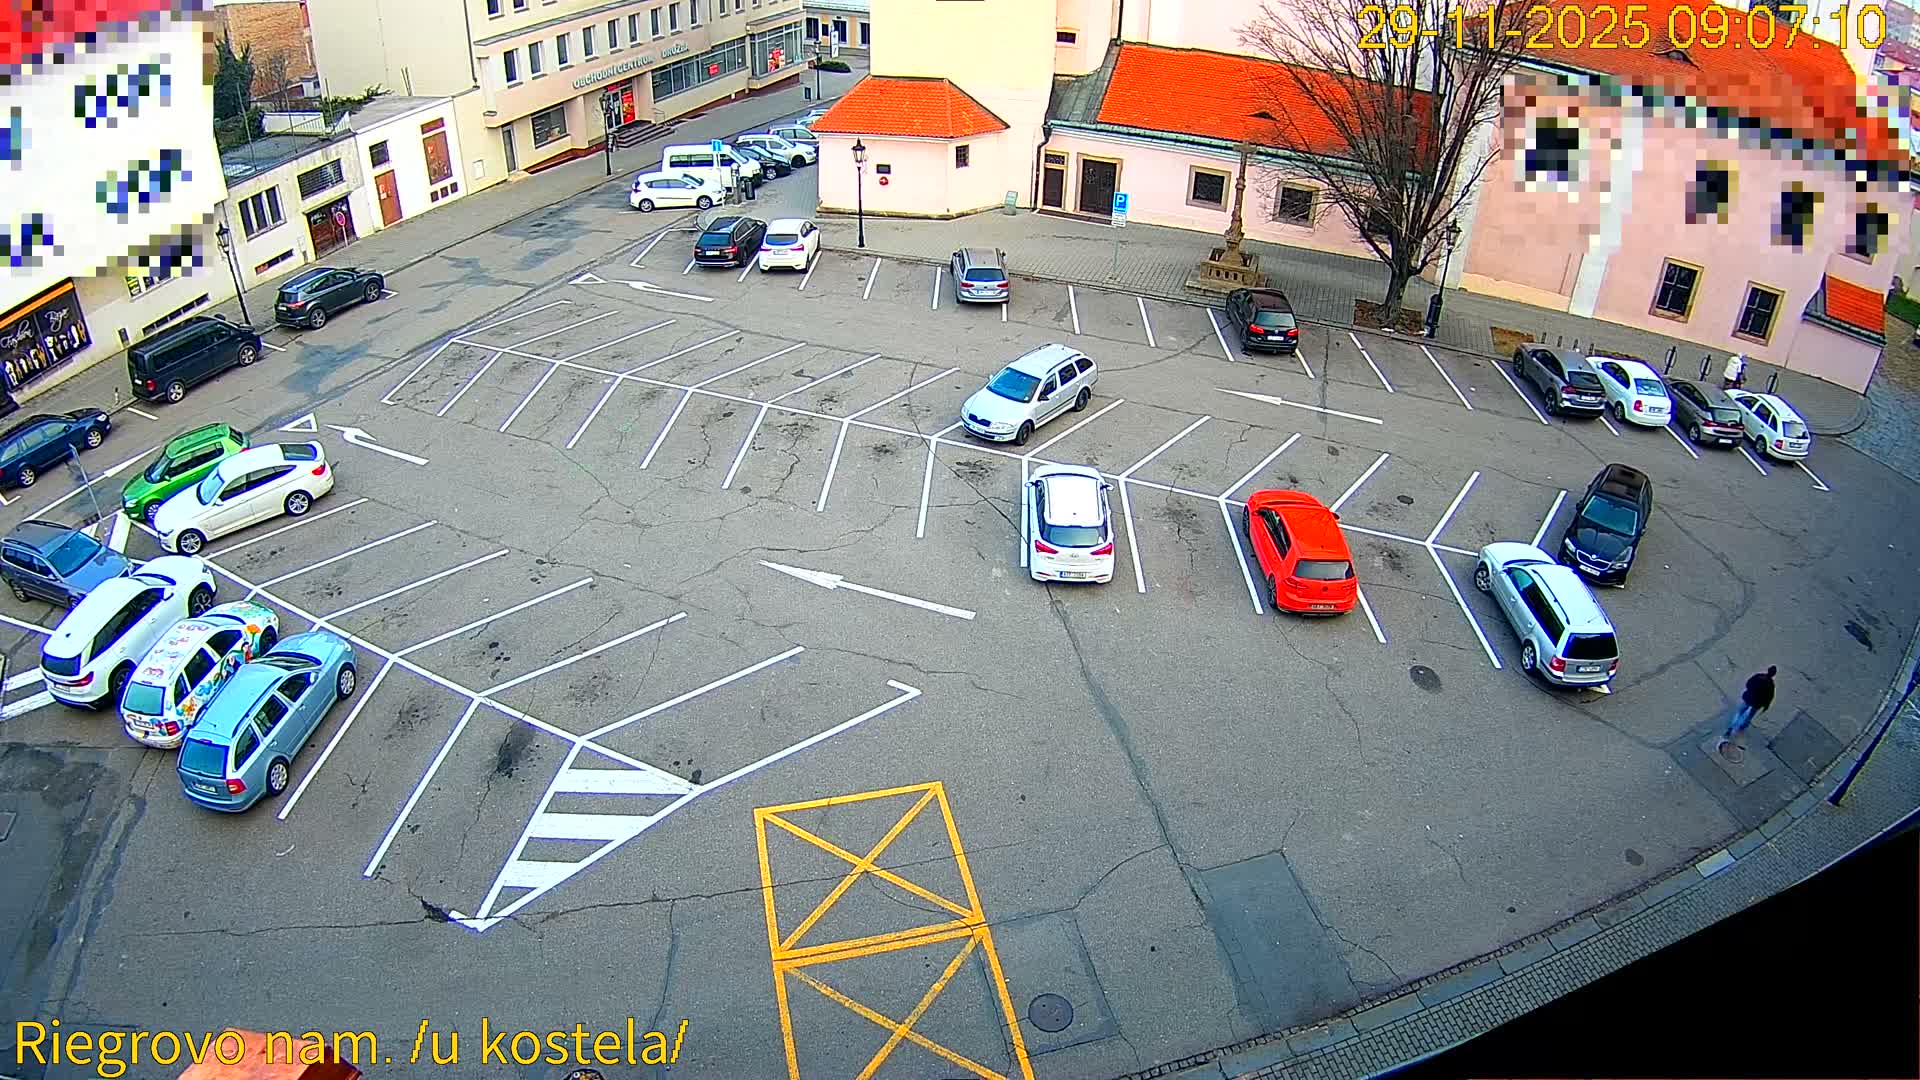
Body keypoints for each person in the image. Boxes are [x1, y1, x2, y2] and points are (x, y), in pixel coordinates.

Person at [1717, 665, 1776, 756]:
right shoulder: (1771, 685)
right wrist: (1764, 706)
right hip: (1757, 703)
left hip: (1748, 698)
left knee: (1739, 712)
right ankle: (1741, 726)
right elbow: (1769, 698)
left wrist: (1750, 692)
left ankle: (1731, 728)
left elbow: (1748, 684)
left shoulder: (1758, 676)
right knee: (1748, 716)